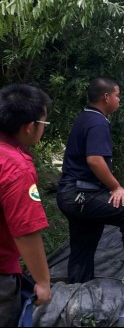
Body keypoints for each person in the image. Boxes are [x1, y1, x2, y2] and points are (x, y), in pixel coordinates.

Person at [56, 77, 124, 286]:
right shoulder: (97, 121)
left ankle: (78, 292)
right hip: (81, 195)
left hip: (72, 194)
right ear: (106, 97)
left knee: (83, 246)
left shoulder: (85, 118)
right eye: (117, 95)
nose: (119, 100)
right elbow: (94, 159)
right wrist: (116, 187)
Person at [0, 84, 52, 325]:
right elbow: (25, 231)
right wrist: (42, 282)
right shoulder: (15, 167)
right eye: (44, 124)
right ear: (30, 127)